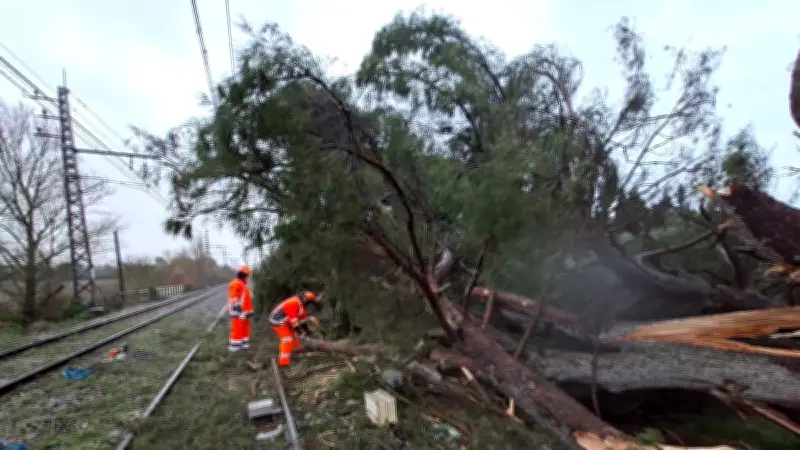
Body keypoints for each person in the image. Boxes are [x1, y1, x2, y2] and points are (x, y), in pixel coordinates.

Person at [268, 291, 321, 367]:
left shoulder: (302, 309)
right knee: (287, 339)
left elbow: (301, 321)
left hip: (287, 321)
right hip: (277, 321)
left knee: (295, 337)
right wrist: (300, 333)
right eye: (311, 304)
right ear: (307, 301)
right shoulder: (294, 303)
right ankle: (283, 363)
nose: (311, 307)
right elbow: (294, 322)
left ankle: (297, 353)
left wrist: (307, 331)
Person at [227, 265, 254, 352]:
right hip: (238, 312)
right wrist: (239, 311)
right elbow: (234, 299)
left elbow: (246, 300)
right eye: (247, 275)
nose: (248, 277)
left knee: (244, 330)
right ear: (244, 275)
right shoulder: (236, 283)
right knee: (237, 330)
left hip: (244, 312)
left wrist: (249, 311)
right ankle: (234, 349)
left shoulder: (242, 284)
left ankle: (243, 347)